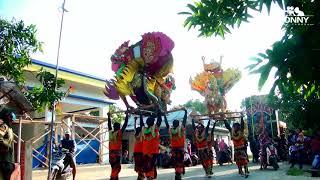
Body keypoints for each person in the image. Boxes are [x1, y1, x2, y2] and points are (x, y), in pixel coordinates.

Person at [164, 108, 187, 180]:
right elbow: (184, 121)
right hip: (180, 150)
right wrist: (185, 112)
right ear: (178, 124)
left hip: (174, 150)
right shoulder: (180, 129)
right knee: (179, 163)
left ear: (173, 124)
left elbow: (167, 124)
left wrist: (164, 116)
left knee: (176, 163)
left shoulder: (170, 130)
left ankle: (177, 174)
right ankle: (178, 175)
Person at [107, 111, 129, 180]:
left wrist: (108, 117)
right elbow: (125, 124)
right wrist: (127, 115)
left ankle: (115, 178)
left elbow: (109, 125)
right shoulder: (119, 133)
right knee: (116, 168)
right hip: (116, 154)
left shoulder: (110, 132)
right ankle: (112, 178)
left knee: (114, 168)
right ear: (118, 127)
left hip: (111, 154)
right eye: (119, 126)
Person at [142, 110, 162, 180]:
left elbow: (142, 124)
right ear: (153, 123)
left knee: (148, 167)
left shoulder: (144, 129)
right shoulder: (155, 129)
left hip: (145, 152)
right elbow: (159, 121)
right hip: (153, 152)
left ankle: (149, 177)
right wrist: (159, 112)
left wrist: (141, 115)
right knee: (151, 167)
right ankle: (150, 177)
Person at [0, 108, 15, 180]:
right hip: (5, 161)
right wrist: (7, 145)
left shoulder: (9, 128)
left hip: (8, 160)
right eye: (10, 116)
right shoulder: (4, 126)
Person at [133, 114, 145, 179]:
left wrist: (135, 121)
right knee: (141, 166)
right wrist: (140, 116)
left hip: (136, 152)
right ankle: (141, 177)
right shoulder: (141, 135)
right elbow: (142, 125)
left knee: (138, 165)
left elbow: (135, 128)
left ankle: (139, 176)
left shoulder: (135, 135)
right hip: (141, 152)